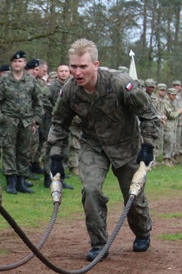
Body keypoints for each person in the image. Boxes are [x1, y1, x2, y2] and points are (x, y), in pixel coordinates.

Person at [47, 38, 159, 261]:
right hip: (93, 146)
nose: (77, 72)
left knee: (133, 197)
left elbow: (148, 114)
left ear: (95, 65)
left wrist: (147, 146)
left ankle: (142, 231)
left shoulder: (120, 83)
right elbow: (59, 124)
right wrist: (56, 156)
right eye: (74, 67)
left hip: (126, 145)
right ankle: (99, 244)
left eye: (83, 67)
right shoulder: (69, 91)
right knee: (90, 190)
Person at [0, 50, 42, 194]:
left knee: (24, 151)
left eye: (20, 61)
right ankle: (11, 182)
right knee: (9, 150)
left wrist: (36, 121)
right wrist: (2, 118)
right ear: (11, 63)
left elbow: (38, 102)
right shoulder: (4, 81)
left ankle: (21, 181)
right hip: (9, 121)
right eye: (15, 61)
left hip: (27, 122)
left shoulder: (31, 80)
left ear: (24, 63)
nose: (17, 63)